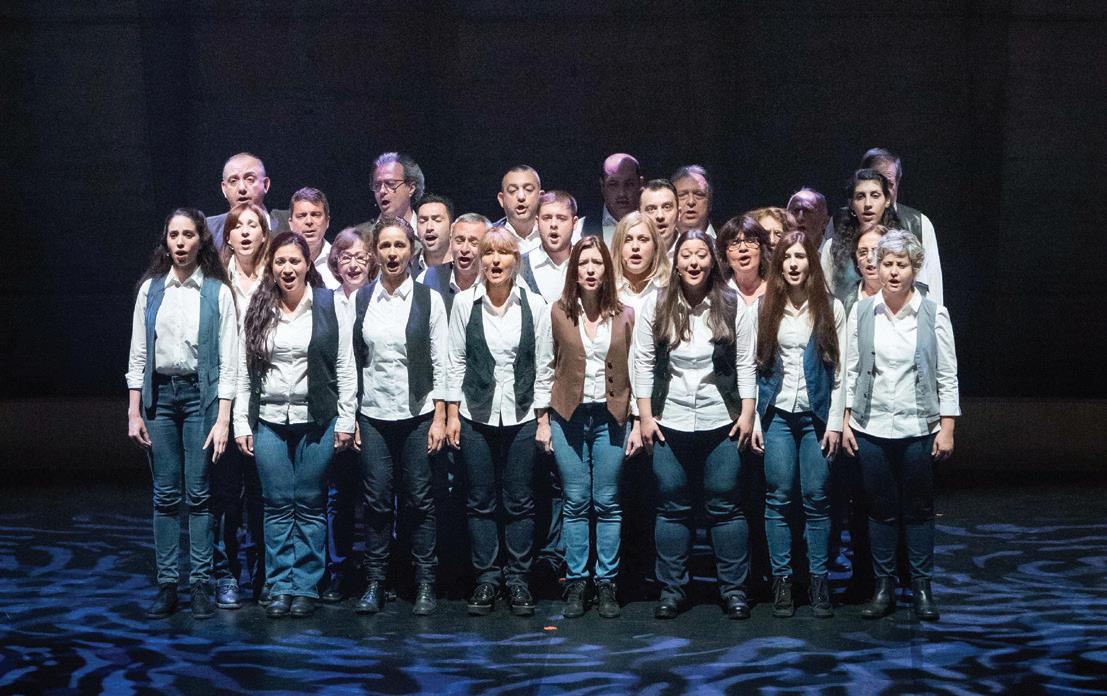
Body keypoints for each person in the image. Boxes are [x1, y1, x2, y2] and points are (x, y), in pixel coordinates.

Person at [233, 231, 356, 618]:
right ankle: (279, 584)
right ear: (271, 267)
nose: (288, 269)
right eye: (280, 262)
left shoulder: (329, 305)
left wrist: (346, 419)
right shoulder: (259, 307)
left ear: (307, 265)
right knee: (275, 503)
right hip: (268, 419)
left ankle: (305, 585)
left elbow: (345, 368)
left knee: (309, 501)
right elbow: (243, 372)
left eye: (294, 261)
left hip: (316, 418)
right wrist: (241, 423)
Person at [635, 230, 757, 620]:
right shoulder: (656, 303)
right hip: (668, 420)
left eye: (701, 254)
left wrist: (747, 414)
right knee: (672, 506)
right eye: (686, 254)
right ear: (675, 263)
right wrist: (645, 416)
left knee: (725, 505)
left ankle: (734, 590)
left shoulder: (732, 304)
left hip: (720, 420)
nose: (693, 262)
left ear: (712, 261)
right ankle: (673, 590)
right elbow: (642, 362)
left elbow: (745, 364)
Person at [841, 230, 959, 621]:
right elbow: (851, 370)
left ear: (914, 268)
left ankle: (922, 588)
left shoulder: (933, 313)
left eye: (901, 265)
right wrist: (846, 419)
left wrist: (947, 427)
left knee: (919, 509)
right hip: (871, 425)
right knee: (880, 509)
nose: (893, 272)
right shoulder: (863, 312)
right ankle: (883, 587)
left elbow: (947, 375)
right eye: (887, 264)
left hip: (918, 426)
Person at [126, 208, 238, 619]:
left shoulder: (216, 291)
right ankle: (168, 584)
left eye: (188, 234)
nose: (180, 242)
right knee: (165, 494)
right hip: (159, 398)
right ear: (166, 240)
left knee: (199, 493)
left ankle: (201, 584)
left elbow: (229, 361)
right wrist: (134, 411)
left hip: (198, 398)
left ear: (200, 240)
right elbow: (138, 354)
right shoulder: (151, 290)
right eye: (174, 235)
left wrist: (223, 418)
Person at [444, 227, 551, 617]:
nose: (494, 260)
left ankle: (518, 578)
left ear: (515, 260)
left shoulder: (534, 305)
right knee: (480, 500)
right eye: (488, 252)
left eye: (503, 253)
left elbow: (544, 365)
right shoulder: (464, 304)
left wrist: (542, 419)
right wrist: (452, 414)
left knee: (520, 500)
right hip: (476, 413)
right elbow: (455, 361)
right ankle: (487, 578)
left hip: (522, 414)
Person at [537, 236, 642, 618]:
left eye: (597, 263)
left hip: (611, 417)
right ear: (574, 271)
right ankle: (577, 581)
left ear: (607, 269)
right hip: (569, 416)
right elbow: (545, 366)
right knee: (576, 500)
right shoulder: (557, 312)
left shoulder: (625, 314)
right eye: (584, 264)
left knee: (608, 502)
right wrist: (542, 420)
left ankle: (606, 582)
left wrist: (637, 421)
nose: (591, 270)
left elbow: (638, 370)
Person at [351, 217, 448, 616]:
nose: (392, 253)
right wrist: (352, 416)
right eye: (385, 246)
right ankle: (376, 581)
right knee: (376, 501)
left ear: (412, 251)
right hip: (373, 413)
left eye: (399, 246)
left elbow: (442, 362)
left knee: (419, 500)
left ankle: (424, 582)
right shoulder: (362, 299)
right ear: (375, 252)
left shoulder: (429, 299)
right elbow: (351, 362)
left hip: (418, 413)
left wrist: (440, 416)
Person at [750, 231, 847, 619]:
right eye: (787, 257)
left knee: (817, 497)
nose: (793, 263)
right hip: (776, 414)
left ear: (811, 262)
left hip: (815, 416)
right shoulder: (764, 307)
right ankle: (783, 580)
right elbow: (752, 365)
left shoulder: (831, 308)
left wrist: (836, 423)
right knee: (778, 497)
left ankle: (819, 580)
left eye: (800, 256)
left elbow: (841, 372)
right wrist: (754, 418)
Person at [211, 202, 270, 609]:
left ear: (264, 235)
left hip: (266, 401)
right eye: (238, 225)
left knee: (263, 495)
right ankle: (227, 573)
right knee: (226, 495)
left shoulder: (275, 278)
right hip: (225, 402)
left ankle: (263, 574)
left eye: (254, 225)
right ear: (228, 237)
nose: (246, 231)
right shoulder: (218, 282)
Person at [319, 227, 376, 604]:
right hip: (335, 411)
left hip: (375, 409)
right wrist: (345, 416)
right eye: (346, 257)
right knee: (338, 495)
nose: (353, 264)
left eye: (360, 257)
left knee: (378, 495)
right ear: (335, 262)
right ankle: (338, 569)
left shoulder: (380, 298)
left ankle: (377, 570)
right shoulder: (325, 301)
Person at [859, 148, 944, 305]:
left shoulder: (919, 224)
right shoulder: (840, 224)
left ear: (897, 183)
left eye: (889, 184)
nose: (883, 192)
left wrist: (934, 318)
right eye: (877, 183)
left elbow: (934, 287)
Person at [822, 169, 905, 308]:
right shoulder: (833, 247)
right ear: (851, 204)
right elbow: (827, 300)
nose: (868, 204)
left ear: (887, 200)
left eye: (875, 195)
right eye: (860, 196)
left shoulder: (903, 245)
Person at [206, 152, 290, 249]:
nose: (242, 188)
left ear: (265, 185)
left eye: (250, 179)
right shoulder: (209, 229)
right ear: (224, 189)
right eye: (233, 181)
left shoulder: (289, 225)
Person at [418, 213, 490, 314]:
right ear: (450, 242)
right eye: (459, 241)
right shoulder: (427, 279)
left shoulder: (495, 284)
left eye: (474, 243)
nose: (464, 249)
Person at [518, 191, 577, 302]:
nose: (553, 224)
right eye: (547, 218)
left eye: (561, 218)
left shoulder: (586, 262)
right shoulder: (520, 266)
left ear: (574, 223)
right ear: (537, 222)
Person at [611, 211, 671, 315]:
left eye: (643, 240)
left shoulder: (670, 286)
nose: (635, 247)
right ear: (618, 246)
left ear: (655, 246)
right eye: (627, 240)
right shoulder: (606, 289)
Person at [582, 153, 644, 246]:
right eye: (613, 184)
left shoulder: (655, 226)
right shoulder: (580, 230)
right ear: (602, 186)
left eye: (629, 184)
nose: (622, 193)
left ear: (640, 184)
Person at [356, 152, 424, 234]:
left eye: (390, 183)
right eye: (377, 185)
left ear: (411, 188)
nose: (382, 191)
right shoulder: (360, 236)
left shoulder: (427, 232)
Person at [289, 187, 339, 289]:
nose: (309, 221)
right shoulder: (278, 263)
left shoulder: (340, 262)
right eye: (301, 216)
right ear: (291, 224)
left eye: (316, 215)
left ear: (327, 221)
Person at [717, 214, 770, 308]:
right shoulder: (717, 293)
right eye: (734, 242)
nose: (743, 248)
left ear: (762, 248)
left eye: (750, 240)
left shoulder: (774, 290)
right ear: (724, 253)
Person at [494, 165, 544, 254]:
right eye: (512, 190)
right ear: (501, 199)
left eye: (528, 189)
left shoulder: (558, 234)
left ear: (541, 197)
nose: (521, 197)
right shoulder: (486, 236)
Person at [414, 193, 454, 275]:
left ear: (452, 228)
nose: (429, 227)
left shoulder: (468, 265)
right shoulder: (407, 268)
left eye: (437, 220)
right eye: (423, 221)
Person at [671, 165, 716, 237]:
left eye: (699, 194)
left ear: (710, 201)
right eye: (682, 195)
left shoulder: (725, 241)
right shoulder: (658, 242)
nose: (691, 202)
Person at [638, 179, 681, 254]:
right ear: (639, 216)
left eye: (667, 207)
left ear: (679, 213)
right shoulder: (631, 254)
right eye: (651, 209)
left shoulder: (693, 251)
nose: (660, 216)